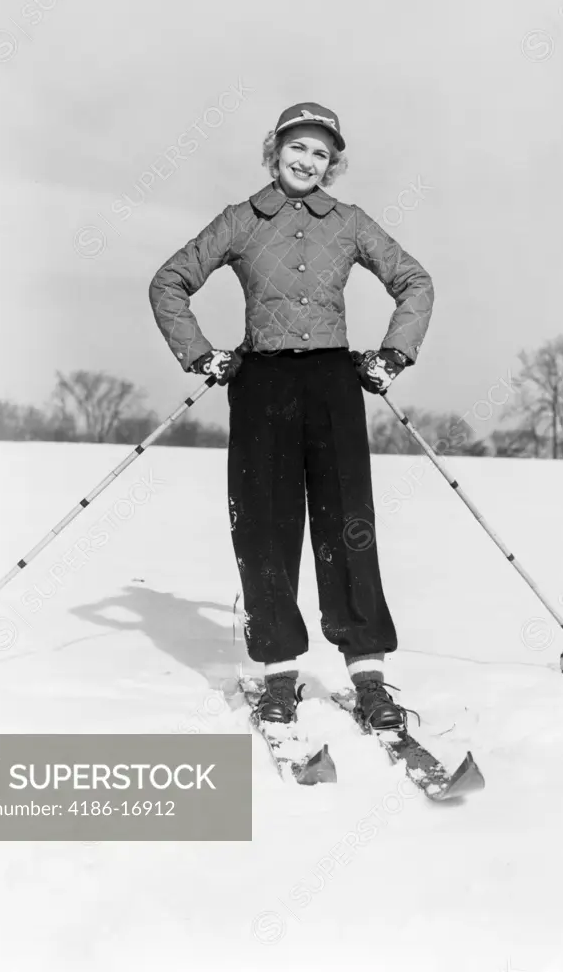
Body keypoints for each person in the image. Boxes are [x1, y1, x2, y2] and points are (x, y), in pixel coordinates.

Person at [149, 102, 434, 730]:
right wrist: (202, 355)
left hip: (333, 383)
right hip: (263, 384)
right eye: (298, 147)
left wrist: (393, 354)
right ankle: (279, 677)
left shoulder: (350, 223)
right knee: (266, 528)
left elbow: (415, 282)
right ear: (275, 151)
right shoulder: (240, 220)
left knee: (347, 524)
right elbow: (168, 282)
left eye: (321, 153)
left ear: (333, 164)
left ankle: (369, 677)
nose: (308, 161)